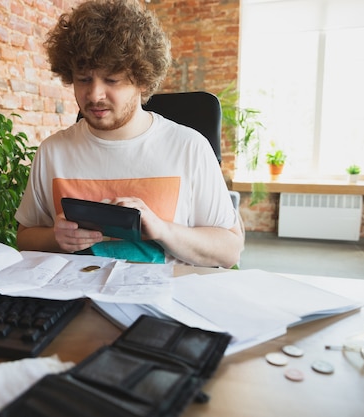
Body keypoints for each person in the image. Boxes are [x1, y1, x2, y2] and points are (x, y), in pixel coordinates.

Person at [14, 0, 244, 267]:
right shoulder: (53, 151)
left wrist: (162, 230)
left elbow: (229, 252)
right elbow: (25, 238)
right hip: (75, 301)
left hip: (159, 303)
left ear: (142, 80)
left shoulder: (190, 148)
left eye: (112, 80)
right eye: (84, 79)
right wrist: (56, 238)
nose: (94, 94)